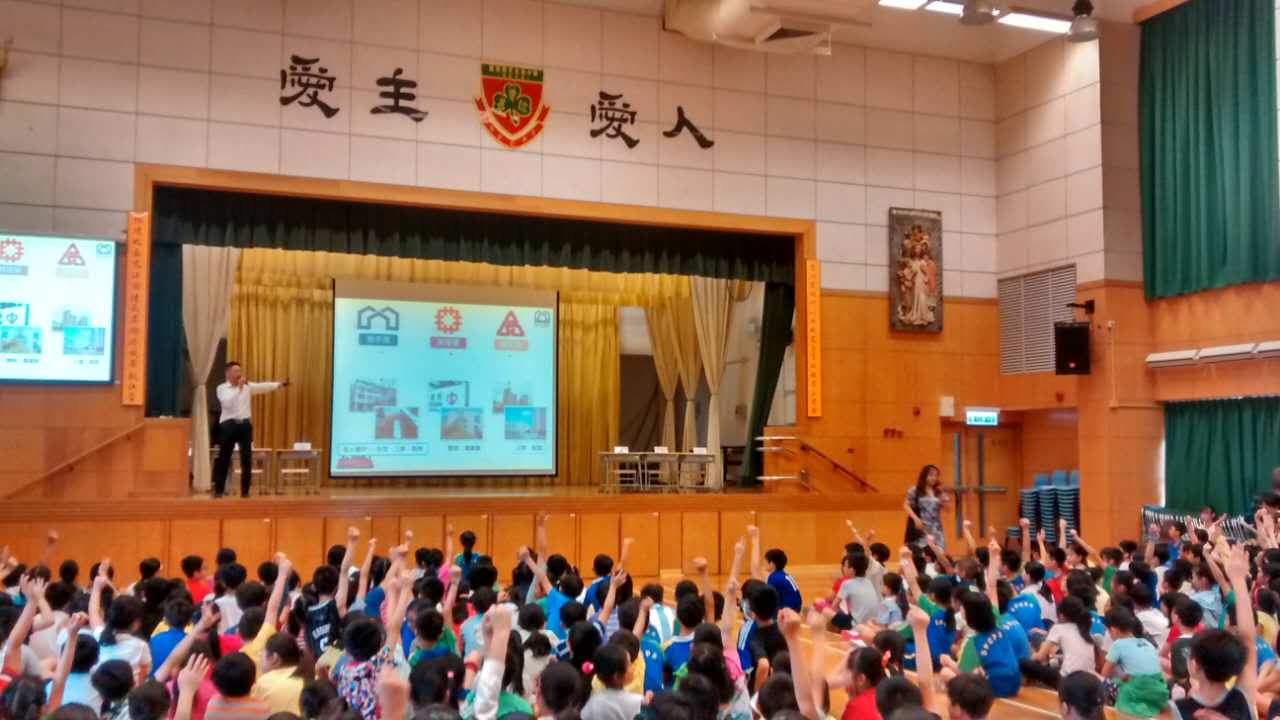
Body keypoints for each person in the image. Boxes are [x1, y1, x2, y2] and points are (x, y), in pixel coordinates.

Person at [212, 361, 288, 498]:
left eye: (239, 371)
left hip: (245, 426)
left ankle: (245, 491)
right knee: (224, 458)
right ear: (228, 373)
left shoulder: (248, 386)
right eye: (235, 371)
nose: (238, 374)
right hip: (228, 425)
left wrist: (279, 385)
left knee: (246, 459)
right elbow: (227, 404)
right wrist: (239, 389)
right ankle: (219, 490)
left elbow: (262, 386)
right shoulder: (222, 388)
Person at [904, 465, 949, 548]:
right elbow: (906, 505)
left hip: (936, 528)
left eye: (936, 475)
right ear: (924, 476)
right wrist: (915, 519)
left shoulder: (938, 491)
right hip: (921, 528)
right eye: (931, 475)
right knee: (921, 551)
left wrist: (943, 495)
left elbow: (947, 508)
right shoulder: (915, 490)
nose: (934, 478)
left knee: (938, 552)